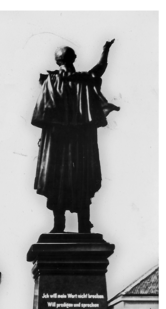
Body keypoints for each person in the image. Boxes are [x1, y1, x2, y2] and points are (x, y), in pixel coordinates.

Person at [32, 40, 120, 233]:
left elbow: (44, 116)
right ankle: (83, 224)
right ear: (74, 59)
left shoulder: (50, 81)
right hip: (81, 142)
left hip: (56, 144)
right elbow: (100, 68)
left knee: (56, 179)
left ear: (57, 61)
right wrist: (105, 50)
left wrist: (44, 141)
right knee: (82, 178)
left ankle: (58, 225)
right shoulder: (84, 79)